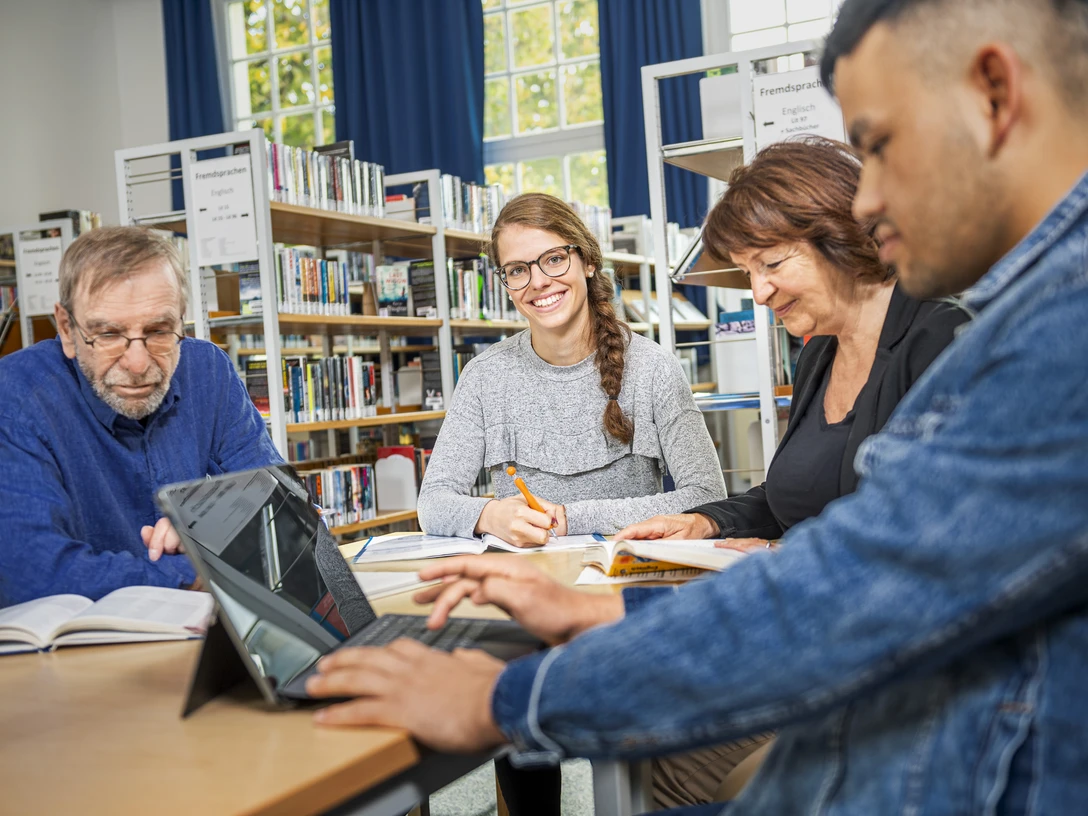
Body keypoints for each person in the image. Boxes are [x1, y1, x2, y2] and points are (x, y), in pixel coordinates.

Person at [303, 0, 1088, 813]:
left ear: (995, 93)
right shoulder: (1005, 314)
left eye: (880, 146)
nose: (869, 200)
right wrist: (618, 598)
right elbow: (845, 547)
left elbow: (856, 582)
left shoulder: (1046, 330)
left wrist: (508, 698)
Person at [619, 138, 969, 550]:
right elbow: (796, 495)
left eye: (771, 264)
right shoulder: (820, 353)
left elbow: (944, 526)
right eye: (748, 272)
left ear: (838, 236)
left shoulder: (944, 339)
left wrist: (780, 555)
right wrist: (705, 521)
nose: (759, 293)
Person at [416, 192, 726, 547]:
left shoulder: (654, 369)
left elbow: (707, 496)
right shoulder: (484, 376)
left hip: (625, 575)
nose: (538, 282)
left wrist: (570, 519)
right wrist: (490, 515)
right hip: (526, 577)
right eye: (517, 270)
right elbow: (433, 503)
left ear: (588, 261)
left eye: (553, 259)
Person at [0, 226, 281, 606]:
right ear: (66, 329)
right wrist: (195, 570)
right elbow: (33, 574)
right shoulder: (15, 396)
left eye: (159, 331)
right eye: (108, 334)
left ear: (181, 320)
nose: (137, 363)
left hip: (209, 625)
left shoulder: (208, 370)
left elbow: (283, 506)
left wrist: (210, 526)